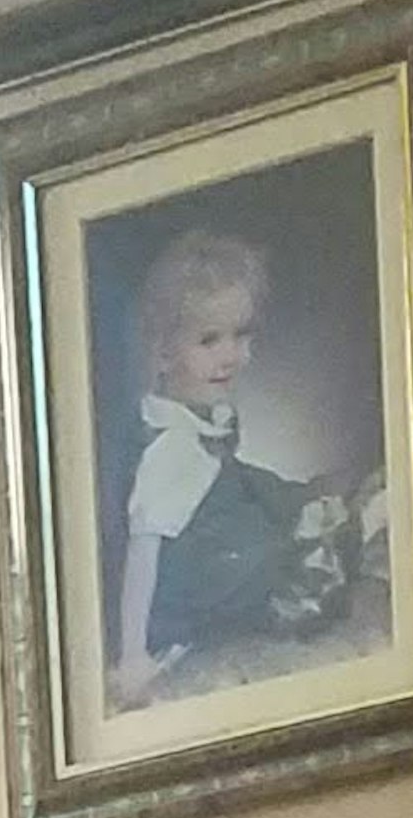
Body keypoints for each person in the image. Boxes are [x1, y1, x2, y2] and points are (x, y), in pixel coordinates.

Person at [107, 228, 351, 709]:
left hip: (220, 550)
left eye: (241, 335)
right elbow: (144, 551)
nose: (231, 356)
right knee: (280, 555)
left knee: (277, 502)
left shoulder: (199, 422)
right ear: (162, 352)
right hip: (198, 597)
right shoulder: (171, 447)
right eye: (208, 340)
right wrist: (133, 656)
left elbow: (228, 480)